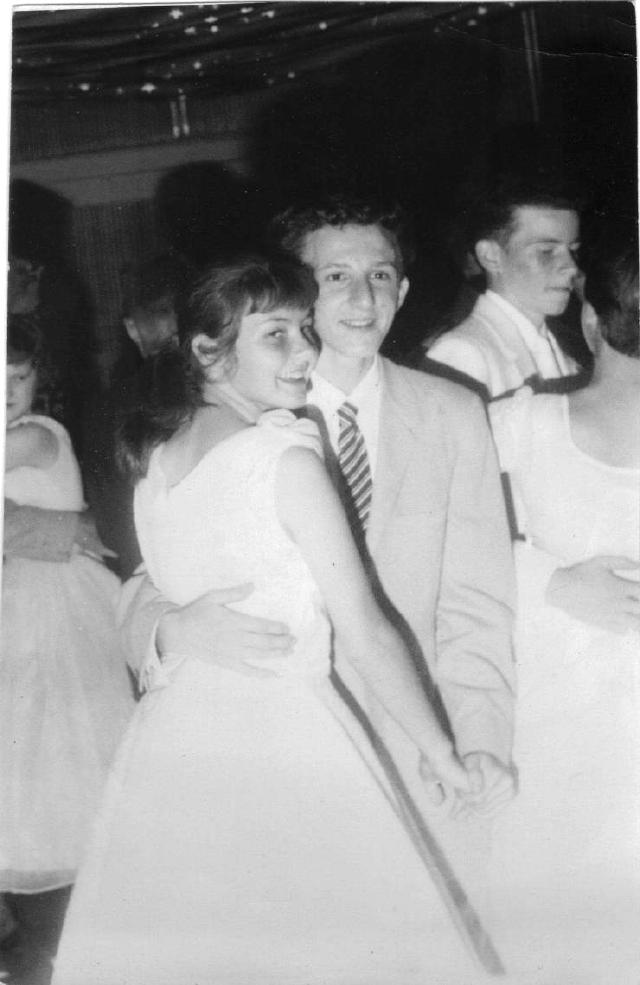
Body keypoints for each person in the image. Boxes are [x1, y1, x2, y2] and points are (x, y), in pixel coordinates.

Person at [52, 256, 490, 985]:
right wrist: (441, 753)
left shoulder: (159, 460)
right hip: (283, 737)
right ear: (208, 351)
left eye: (304, 330)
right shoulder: (282, 460)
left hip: (175, 746)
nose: (305, 351)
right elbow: (366, 628)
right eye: (276, 335)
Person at [119, 197, 517, 827]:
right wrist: (168, 631)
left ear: (403, 289)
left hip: (422, 747)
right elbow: (151, 578)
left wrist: (472, 743)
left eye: (380, 274)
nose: (363, 297)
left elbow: (477, 606)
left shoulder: (453, 413)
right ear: (299, 289)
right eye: (336, 276)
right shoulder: (240, 427)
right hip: (275, 754)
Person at [484, 229, 640, 983]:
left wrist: (543, 579)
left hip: (561, 723)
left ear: (590, 321)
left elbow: (438, 541)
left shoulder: (520, 422)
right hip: (565, 721)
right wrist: (552, 583)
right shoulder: (524, 423)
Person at [0, 317, 135, 982]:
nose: (7, 393)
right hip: (24, 589)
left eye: (18, 378)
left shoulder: (33, 435)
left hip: (55, 601)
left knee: (53, 746)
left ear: (37, 379)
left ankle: (64, 928)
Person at [84, 252, 193, 580]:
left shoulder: (104, 410)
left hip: (148, 578)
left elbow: (114, 526)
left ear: (133, 330)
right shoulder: (227, 392)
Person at [426, 174, 583, 399]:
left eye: (573, 250)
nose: (571, 267)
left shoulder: (567, 351)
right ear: (491, 256)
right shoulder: (462, 355)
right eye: (546, 251)